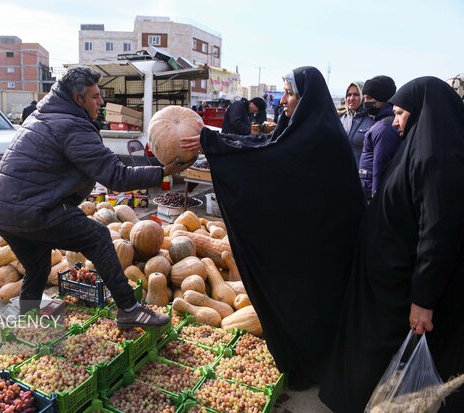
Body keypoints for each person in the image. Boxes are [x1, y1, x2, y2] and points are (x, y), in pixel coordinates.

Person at [181, 66, 365, 389]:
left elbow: (271, 163)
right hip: (310, 243)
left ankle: (316, 364)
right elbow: (264, 149)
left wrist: (215, 145)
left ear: (307, 97)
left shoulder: (320, 135)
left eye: (290, 93)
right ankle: (306, 359)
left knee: (316, 307)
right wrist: (216, 142)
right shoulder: (300, 128)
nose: (283, 101)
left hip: (326, 246)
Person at [0, 66, 194, 326]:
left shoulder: (41, 116)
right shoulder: (71, 126)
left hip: (3, 213)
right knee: (98, 237)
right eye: (95, 96)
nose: (101, 102)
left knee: (37, 266)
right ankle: (129, 309)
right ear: (77, 99)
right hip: (33, 210)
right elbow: (116, 176)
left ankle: (26, 317)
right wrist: (163, 172)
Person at [320, 77, 464, 413]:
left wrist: (423, 300)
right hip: (389, 279)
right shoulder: (419, 147)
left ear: (422, 113)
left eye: (400, 114)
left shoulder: (438, 160)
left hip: (405, 288)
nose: (396, 123)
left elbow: (438, 235)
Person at [358, 75, 401, 202]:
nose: (366, 102)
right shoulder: (380, 123)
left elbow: (380, 167)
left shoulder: (385, 128)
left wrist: (376, 200)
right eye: (364, 98)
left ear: (384, 98)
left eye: (370, 98)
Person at [340, 81, 375, 164]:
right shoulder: (341, 118)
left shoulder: (372, 120)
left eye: (356, 94)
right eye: (348, 95)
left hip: (359, 173)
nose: (351, 98)